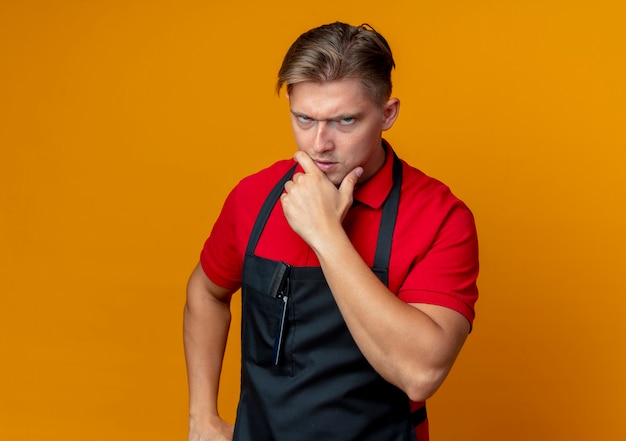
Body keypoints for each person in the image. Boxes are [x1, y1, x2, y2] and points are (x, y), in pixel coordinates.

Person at [184, 22, 479, 441]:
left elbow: (420, 373)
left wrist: (324, 233)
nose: (319, 143)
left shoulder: (440, 218)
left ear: (387, 114)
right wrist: (202, 416)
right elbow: (205, 292)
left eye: (345, 120)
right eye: (304, 118)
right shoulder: (254, 198)